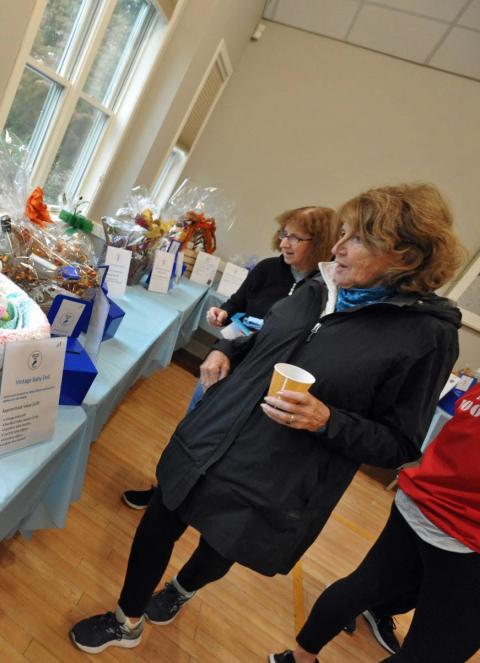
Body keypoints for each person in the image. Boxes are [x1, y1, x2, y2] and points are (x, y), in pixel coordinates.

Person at [70, 183, 462, 655]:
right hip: (210, 437)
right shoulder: (320, 287)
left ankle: (181, 590)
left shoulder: (426, 336)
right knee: (158, 522)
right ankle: (126, 618)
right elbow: (264, 337)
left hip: (275, 477)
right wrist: (224, 348)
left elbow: (400, 443)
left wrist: (325, 419)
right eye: (342, 232)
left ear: (404, 257)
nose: (337, 247)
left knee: (218, 548)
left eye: (357, 239)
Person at [122, 205, 338, 510]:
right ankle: (163, 493)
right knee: (191, 431)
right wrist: (224, 315)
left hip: (262, 384)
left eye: (296, 238)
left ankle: (200, 503)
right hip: (224, 368)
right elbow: (237, 307)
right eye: (284, 234)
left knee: (229, 449)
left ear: (319, 244)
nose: (285, 242)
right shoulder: (267, 269)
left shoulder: (324, 293)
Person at [270, 382, 480, 663]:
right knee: (432, 652)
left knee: (364, 585)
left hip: (423, 500)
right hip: (463, 531)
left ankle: (297, 658)